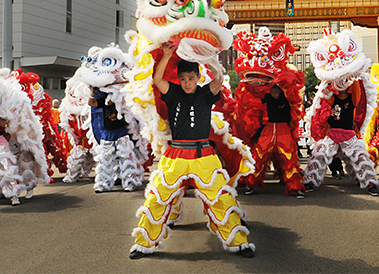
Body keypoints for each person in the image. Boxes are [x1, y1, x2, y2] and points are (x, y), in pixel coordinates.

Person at [130, 43, 254, 259]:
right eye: (184, 78)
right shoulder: (174, 92)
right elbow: (157, 80)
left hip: (204, 155)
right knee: (156, 198)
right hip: (175, 155)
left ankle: (238, 242)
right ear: (179, 79)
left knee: (221, 198)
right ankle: (143, 244)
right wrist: (167, 55)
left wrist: (210, 59)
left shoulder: (206, 94)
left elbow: (217, 79)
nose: (187, 82)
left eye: (191, 78)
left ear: (198, 77)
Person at [303, 86, 379, 196]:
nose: (342, 84)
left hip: (348, 134)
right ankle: (309, 182)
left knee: (361, 158)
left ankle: (371, 184)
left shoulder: (353, 98)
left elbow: (361, 100)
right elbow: (322, 111)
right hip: (332, 134)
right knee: (319, 156)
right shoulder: (330, 98)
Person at [244, 84, 305, 198]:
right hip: (268, 130)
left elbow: (296, 98)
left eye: (277, 90)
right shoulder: (265, 99)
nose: (274, 93)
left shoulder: (287, 99)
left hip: (284, 130)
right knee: (259, 157)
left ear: (281, 91)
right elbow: (253, 95)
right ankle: (250, 183)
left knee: (289, 159)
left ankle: (296, 187)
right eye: (272, 90)